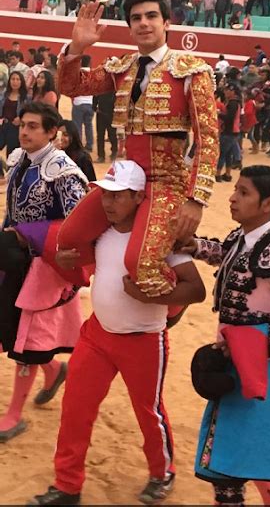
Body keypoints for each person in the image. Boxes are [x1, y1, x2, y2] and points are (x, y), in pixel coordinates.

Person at [29, 160, 206, 506]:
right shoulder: (101, 233)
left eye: (118, 196)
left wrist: (152, 296)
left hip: (143, 340)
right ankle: (67, 486)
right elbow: (92, 268)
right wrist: (70, 262)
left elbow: (196, 290)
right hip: (97, 335)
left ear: (140, 197)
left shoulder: (159, 240)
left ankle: (162, 472)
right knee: (76, 408)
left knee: (148, 412)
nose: (108, 203)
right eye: (105, 194)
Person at [56, 0, 218, 297]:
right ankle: (111, 273)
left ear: (167, 23)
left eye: (151, 16)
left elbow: (208, 137)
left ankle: (171, 307)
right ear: (130, 27)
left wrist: (196, 200)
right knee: (70, 237)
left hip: (166, 182)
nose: (144, 23)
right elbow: (71, 86)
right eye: (136, 18)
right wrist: (77, 46)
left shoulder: (191, 70)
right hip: (124, 181)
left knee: (142, 265)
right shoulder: (123, 68)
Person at [182, 165, 270, 506]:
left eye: (244, 193)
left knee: (230, 465)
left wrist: (245, 348)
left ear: (268, 203)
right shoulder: (242, 237)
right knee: (234, 457)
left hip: (260, 373)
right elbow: (224, 255)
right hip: (234, 365)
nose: (232, 198)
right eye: (235, 190)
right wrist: (193, 245)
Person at [0, 102, 88, 442]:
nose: (24, 132)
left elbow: (79, 226)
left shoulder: (64, 172)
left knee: (29, 341)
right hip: (15, 260)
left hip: (46, 266)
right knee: (14, 329)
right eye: (23, 125)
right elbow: (13, 214)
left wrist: (31, 237)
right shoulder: (19, 159)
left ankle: (13, 415)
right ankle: (54, 371)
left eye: (34, 126)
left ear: (53, 132)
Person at [215, 82, 241, 183]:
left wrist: (219, 114)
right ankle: (227, 174)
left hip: (228, 131)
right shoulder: (235, 102)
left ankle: (217, 174)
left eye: (227, 90)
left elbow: (229, 118)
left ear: (232, 91)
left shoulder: (232, 103)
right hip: (233, 131)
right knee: (228, 154)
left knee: (222, 153)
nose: (225, 92)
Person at [0, 71, 29, 157]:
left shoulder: (25, 97)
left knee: (11, 154)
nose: (15, 82)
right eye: (13, 79)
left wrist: (21, 118)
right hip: (3, 125)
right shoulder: (4, 94)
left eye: (17, 79)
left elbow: (30, 112)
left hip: (15, 128)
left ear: (21, 81)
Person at [92, 90, 117, 163]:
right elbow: (95, 96)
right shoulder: (101, 87)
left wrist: (94, 107)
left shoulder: (113, 87)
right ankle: (101, 156)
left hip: (110, 114)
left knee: (111, 134)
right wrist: (94, 107)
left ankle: (113, 152)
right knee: (101, 135)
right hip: (102, 113)